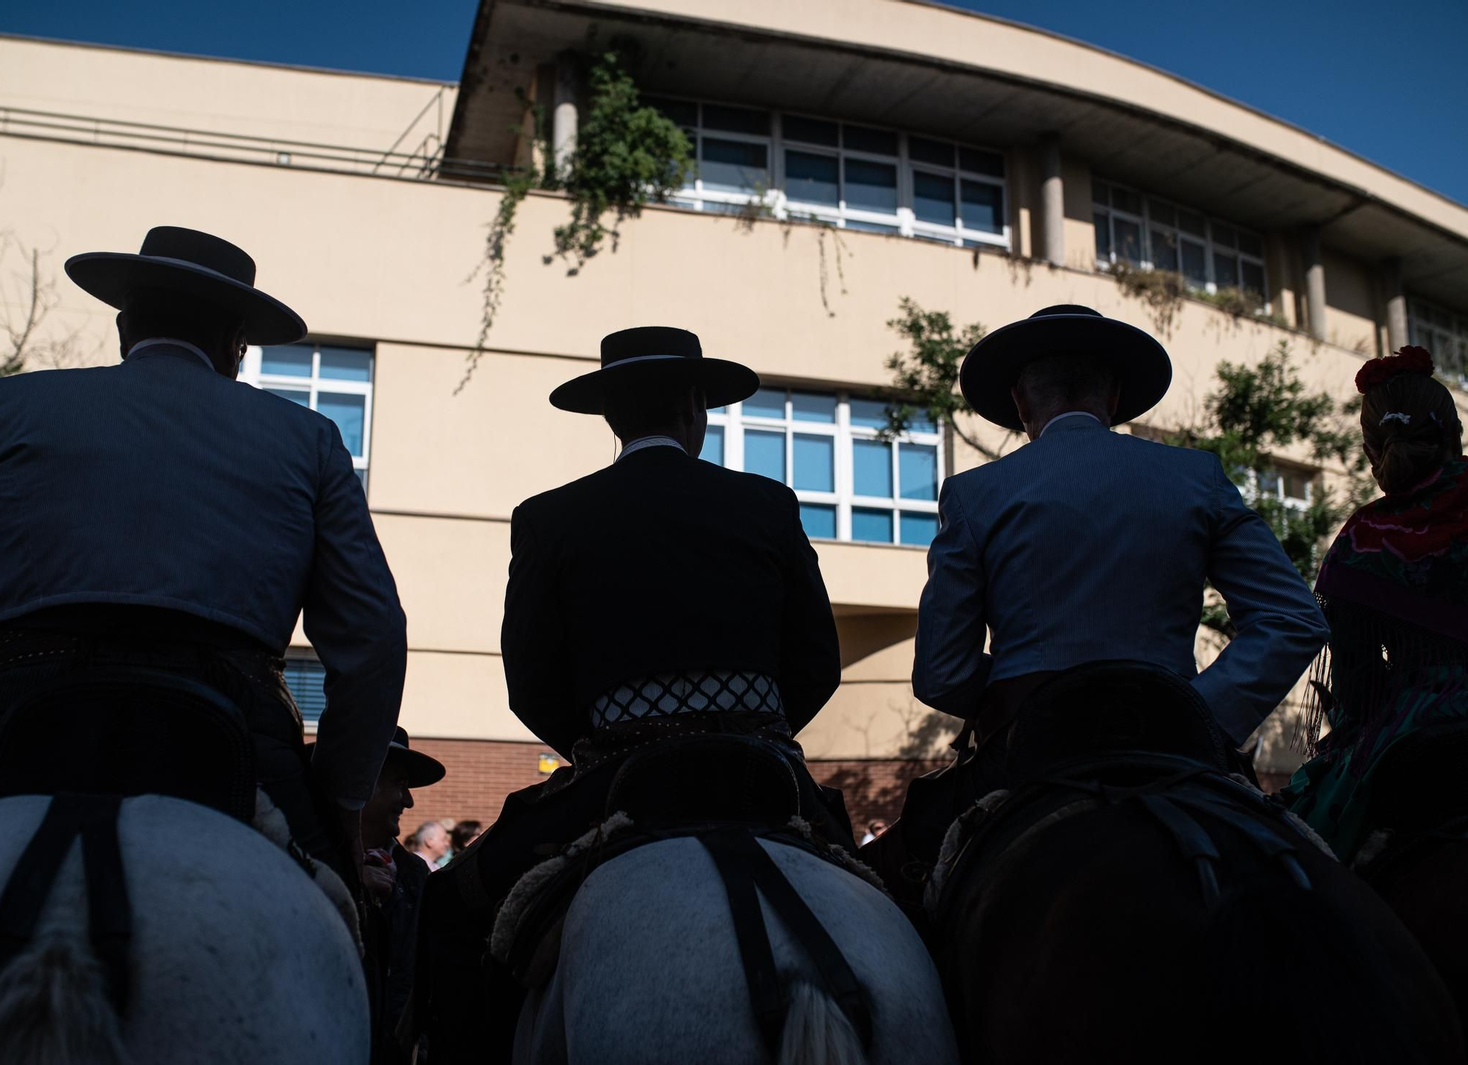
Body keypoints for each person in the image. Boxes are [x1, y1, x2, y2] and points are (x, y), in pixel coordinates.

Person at [0, 227, 408, 877]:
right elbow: (374, 639)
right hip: (233, 713)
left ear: (125, 326)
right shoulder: (310, 439)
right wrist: (343, 802)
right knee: (353, 918)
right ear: (237, 343)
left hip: (20, 691)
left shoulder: (8, 404)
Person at [416, 325, 850, 1063]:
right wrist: (757, 729)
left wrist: (602, 740)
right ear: (695, 408)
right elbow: (817, 662)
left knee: (449, 911)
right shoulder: (767, 503)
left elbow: (531, 685)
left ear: (612, 419)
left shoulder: (549, 516)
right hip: (763, 768)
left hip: (615, 778)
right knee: (911, 900)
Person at [864, 304, 1329, 903]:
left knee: (886, 890)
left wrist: (1016, 690)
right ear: (1112, 395)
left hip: (1027, 752)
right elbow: (1293, 617)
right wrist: (1197, 710)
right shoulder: (1197, 476)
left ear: (1021, 402)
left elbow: (940, 673)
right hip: (1174, 742)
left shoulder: (977, 493)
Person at [1280, 347, 1467, 860]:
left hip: (1416, 732)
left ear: (1372, 449)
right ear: (1454, 434)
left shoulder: (1364, 538)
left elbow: (1357, 692)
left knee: (1297, 862)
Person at [357, 728, 446, 1058]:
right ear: (362, 783)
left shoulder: (414, 874)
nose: (409, 801)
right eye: (399, 784)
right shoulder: (314, 867)